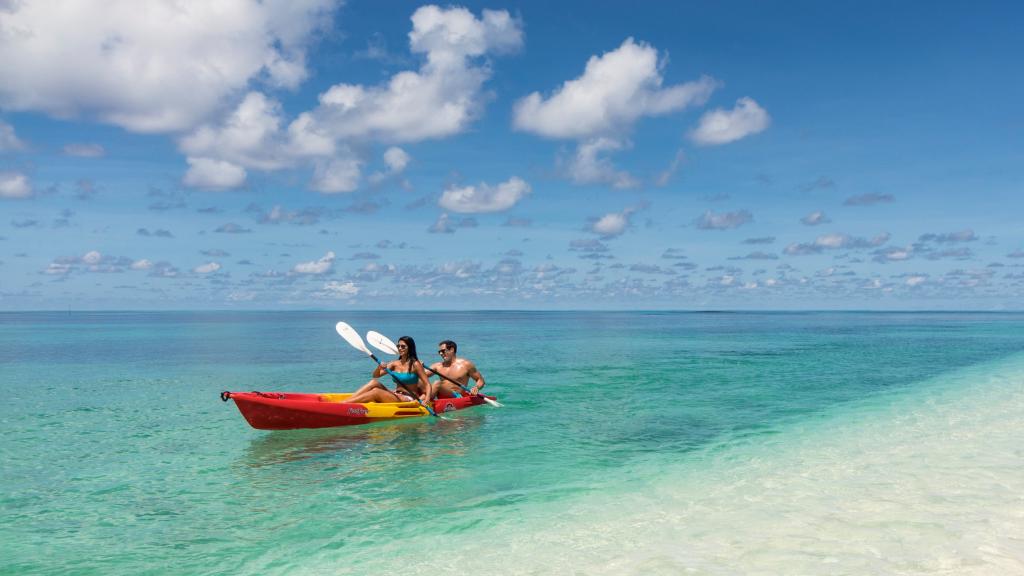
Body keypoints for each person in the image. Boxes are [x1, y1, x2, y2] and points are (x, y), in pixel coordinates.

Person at [345, 336, 432, 404]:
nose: (400, 348)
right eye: (398, 346)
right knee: (374, 383)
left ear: (410, 348)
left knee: (376, 392)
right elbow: (376, 376)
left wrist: (426, 399)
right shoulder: (394, 363)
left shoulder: (415, 364)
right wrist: (379, 367)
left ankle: (343, 404)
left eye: (403, 346)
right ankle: (347, 401)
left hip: (408, 398)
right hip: (396, 394)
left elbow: (427, 384)